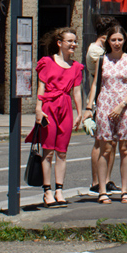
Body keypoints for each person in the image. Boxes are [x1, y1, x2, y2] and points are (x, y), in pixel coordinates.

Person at [28, 28, 84, 207]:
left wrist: (79, 113)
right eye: (70, 41)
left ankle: (60, 190)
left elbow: (76, 91)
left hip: (65, 107)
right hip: (49, 106)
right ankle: (47, 191)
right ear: (60, 43)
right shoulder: (47, 62)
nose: (73, 44)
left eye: (75, 41)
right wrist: (38, 109)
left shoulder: (76, 67)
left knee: (62, 151)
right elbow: (41, 87)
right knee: (48, 150)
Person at [86, 24, 127, 203]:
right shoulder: (102, 60)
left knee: (124, 149)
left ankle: (125, 190)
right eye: (113, 40)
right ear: (108, 41)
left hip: (124, 107)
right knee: (105, 149)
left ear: (125, 40)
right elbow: (96, 84)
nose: (117, 43)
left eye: (120, 39)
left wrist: (122, 105)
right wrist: (89, 107)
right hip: (105, 106)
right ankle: (102, 190)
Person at [84, 20, 115, 199]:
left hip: (110, 98)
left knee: (111, 142)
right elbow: (101, 76)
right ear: (104, 37)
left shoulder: (102, 51)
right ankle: (96, 181)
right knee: (100, 141)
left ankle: (107, 179)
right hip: (100, 99)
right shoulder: (96, 52)